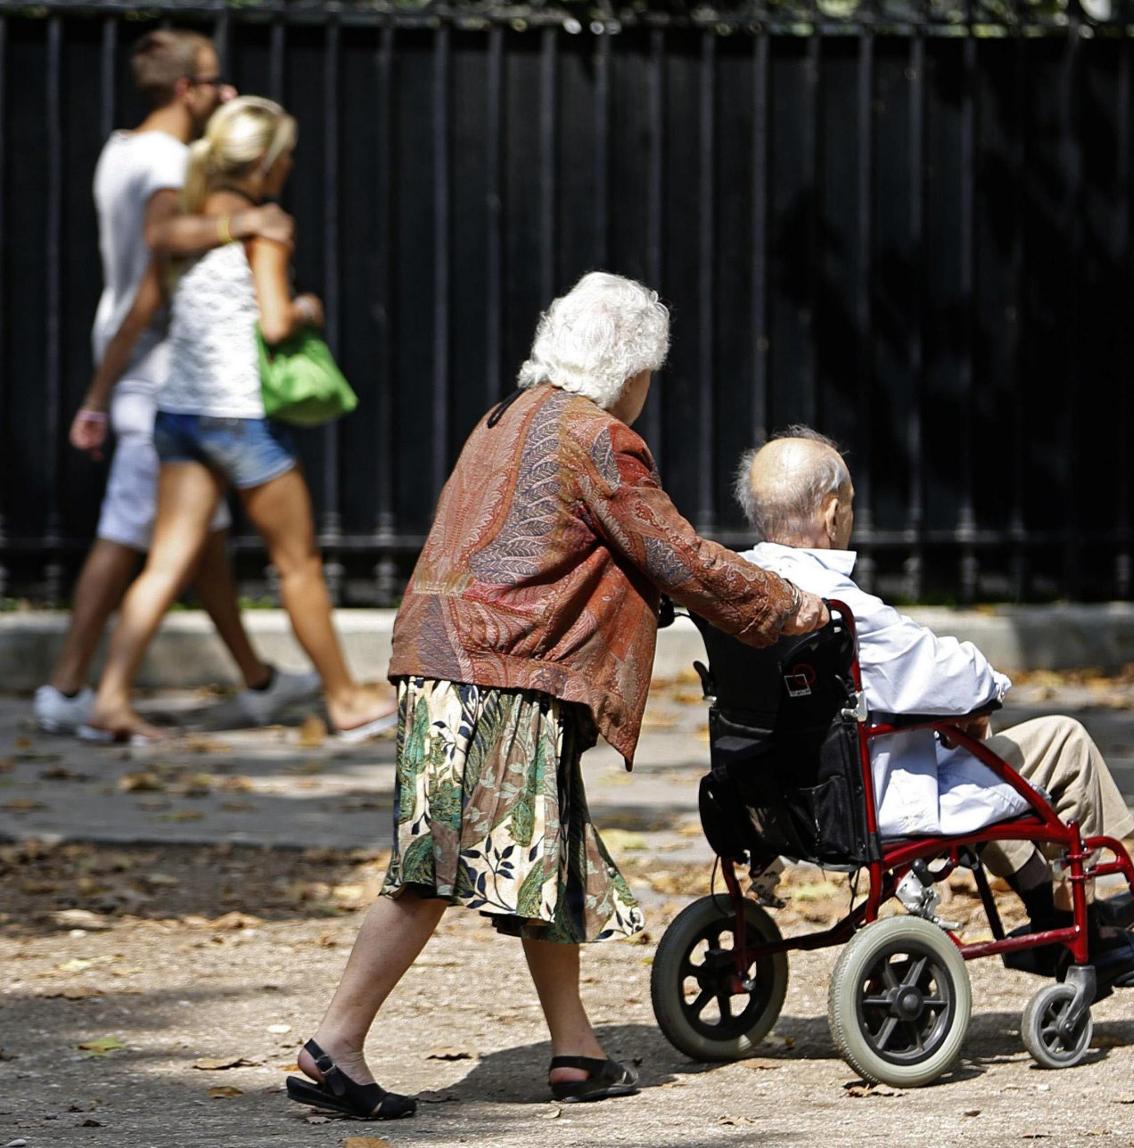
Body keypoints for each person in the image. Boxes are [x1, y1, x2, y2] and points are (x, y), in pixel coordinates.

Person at [284, 272, 828, 1119]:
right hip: (497, 670)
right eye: (651, 370)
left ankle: (575, 1048)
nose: (650, 389)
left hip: (448, 658)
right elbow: (676, 555)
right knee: (431, 865)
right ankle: (335, 1044)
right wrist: (785, 603)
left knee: (552, 851)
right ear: (629, 367)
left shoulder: (505, 418)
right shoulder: (600, 439)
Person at [734, 426, 1134, 973]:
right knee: (1064, 740)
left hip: (785, 795)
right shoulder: (846, 610)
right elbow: (961, 678)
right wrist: (984, 696)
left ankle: (1046, 904)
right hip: (872, 798)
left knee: (982, 750)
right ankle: (1084, 923)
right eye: (850, 507)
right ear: (832, 514)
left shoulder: (741, 586)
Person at [81, 96, 395, 745]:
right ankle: (344, 699)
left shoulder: (185, 226)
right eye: (287, 157)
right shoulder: (264, 227)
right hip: (243, 419)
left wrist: (96, 398)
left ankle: (110, 697)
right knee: (298, 563)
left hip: (181, 414)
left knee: (165, 563)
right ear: (267, 163)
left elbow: (138, 313)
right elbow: (276, 322)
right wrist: (308, 308)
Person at [35, 28, 317, 737]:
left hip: (146, 364)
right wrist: (246, 218)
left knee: (195, 541)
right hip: (160, 369)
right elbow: (162, 241)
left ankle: (255, 679)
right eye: (214, 81)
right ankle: (72, 689)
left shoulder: (120, 148)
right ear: (186, 90)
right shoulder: (166, 158)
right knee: (135, 537)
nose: (225, 93)